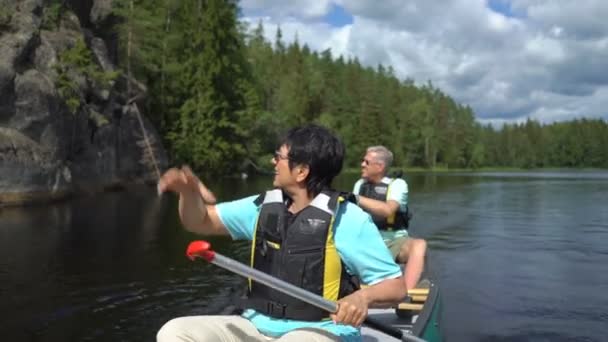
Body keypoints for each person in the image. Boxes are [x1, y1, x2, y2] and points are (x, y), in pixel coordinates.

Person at [156, 124, 407, 342]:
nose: (273, 162)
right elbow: (199, 221)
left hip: (321, 330)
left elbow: (396, 288)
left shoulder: (349, 219)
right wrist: (187, 193)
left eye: (279, 157)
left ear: (301, 171)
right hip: (255, 325)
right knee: (174, 332)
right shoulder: (262, 207)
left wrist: (363, 297)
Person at [353, 146, 427, 291]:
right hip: (365, 242)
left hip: (393, 241)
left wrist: (354, 198)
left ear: (380, 166)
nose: (362, 164)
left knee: (419, 245)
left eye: (366, 162)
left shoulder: (398, 185)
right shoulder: (359, 185)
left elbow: (388, 210)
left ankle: (405, 292)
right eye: (362, 161)